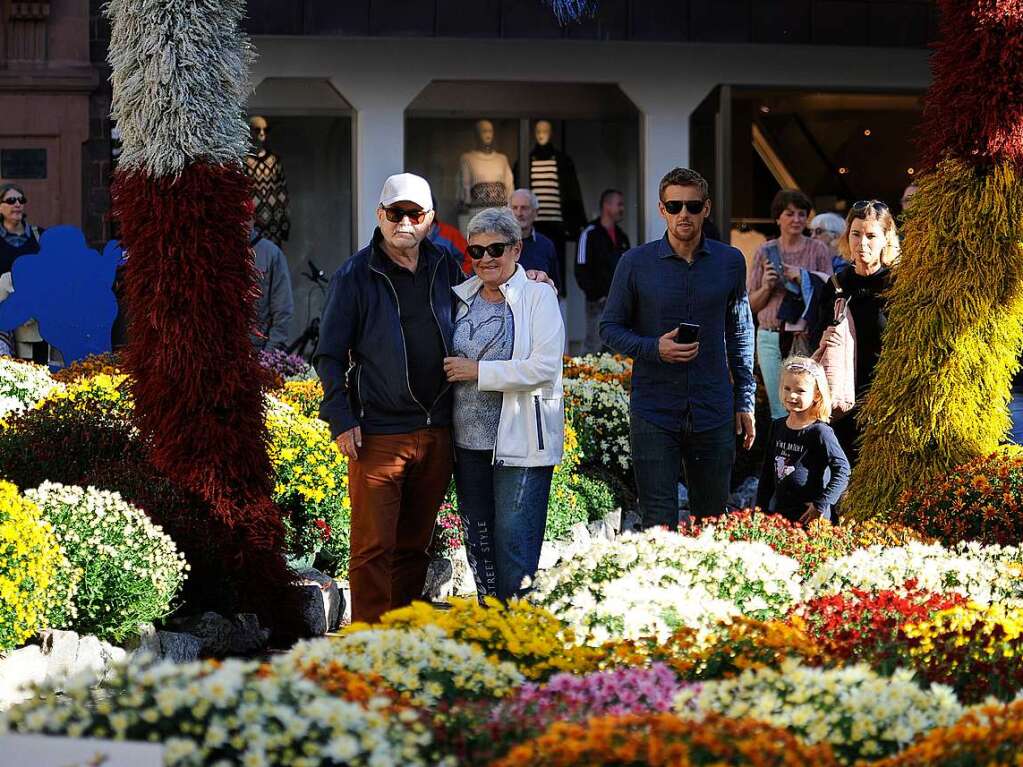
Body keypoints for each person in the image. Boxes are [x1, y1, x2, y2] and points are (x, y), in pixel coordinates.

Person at [314, 173, 553, 623]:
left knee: (413, 547)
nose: (404, 222)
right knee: (372, 547)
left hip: (440, 430)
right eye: (395, 212)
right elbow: (327, 355)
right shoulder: (354, 276)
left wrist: (527, 277)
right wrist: (341, 417)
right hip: (379, 431)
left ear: (430, 220)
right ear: (380, 215)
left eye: (415, 214)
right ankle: (367, 647)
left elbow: (492, 278)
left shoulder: (446, 265)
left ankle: (401, 636)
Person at [600, 167, 755, 526]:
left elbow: (741, 331)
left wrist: (745, 399)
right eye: (675, 206)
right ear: (662, 210)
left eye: (692, 205)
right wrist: (655, 348)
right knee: (657, 521)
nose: (684, 213)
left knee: (713, 520)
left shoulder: (730, 261)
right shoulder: (635, 263)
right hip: (654, 407)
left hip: (712, 405)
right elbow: (609, 327)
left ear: (706, 208)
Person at [443, 206, 565, 600]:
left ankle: (518, 638)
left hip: (521, 442)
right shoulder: (459, 298)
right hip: (468, 443)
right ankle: (491, 629)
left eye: (496, 248)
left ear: (516, 249)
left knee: (514, 546)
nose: (485, 259)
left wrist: (478, 371)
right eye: (476, 251)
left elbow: (544, 367)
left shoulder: (538, 295)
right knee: (479, 544)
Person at [811, 200, 899, 467]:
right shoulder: (836, 284)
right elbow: (816, 337)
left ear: (886, 239)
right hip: (841, 400)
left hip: (885, 401)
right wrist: (823, 339)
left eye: (872, 236)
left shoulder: (897, 286)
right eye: (856, 234)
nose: (862, 243)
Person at [748, 189, 833, 419]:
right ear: (778, 217)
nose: (796, 219)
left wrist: (804, 276)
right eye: (789, 214)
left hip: (803, 337)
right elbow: (751, 306)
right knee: (779, 407)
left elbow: (830, 296)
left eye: (801, 214)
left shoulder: (818, 249)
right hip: (770, 336)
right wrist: (766, 286)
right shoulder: (765, 251)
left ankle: (803, 452)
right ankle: (782, 453)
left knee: (806, 406)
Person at [755, 357, 850, 523]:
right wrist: (760, 510)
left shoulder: (820, 432)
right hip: (782, 514)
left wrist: (820, 504)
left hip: (810, 517)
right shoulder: (778, 426)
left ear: (816, 395)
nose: (792, 395)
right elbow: (768, 472)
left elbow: (843, 469)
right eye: (787, 388)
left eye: (800, 391)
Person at [576, 189, 630, 355]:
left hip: (619, 304)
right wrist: (597, 295)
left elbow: (628, 269)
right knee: (594, 348)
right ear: (607, 205)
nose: (622, 208)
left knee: (617, 350)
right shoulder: (589, 233)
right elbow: (581, 269)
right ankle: (583, 380)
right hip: (597, 303)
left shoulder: (622, 237)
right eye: (619, 204)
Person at [0, 184, 44, 360]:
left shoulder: (40, 235)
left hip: (35, 315)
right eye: (11, 200)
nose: (17, 204)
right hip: (4, 307)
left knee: (36, 363)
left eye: (21, 200)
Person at [250, 225, 294, 351]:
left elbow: (283, 310)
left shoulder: (271, 254)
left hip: (257, 351)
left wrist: (268, 356)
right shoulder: (221, 252)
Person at [510, 189, 560, 288]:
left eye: (524, 208)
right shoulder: (500, 244)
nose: (519, 213)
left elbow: (555, 285)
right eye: (514, 208)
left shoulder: (546, 245)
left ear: (535, 212)